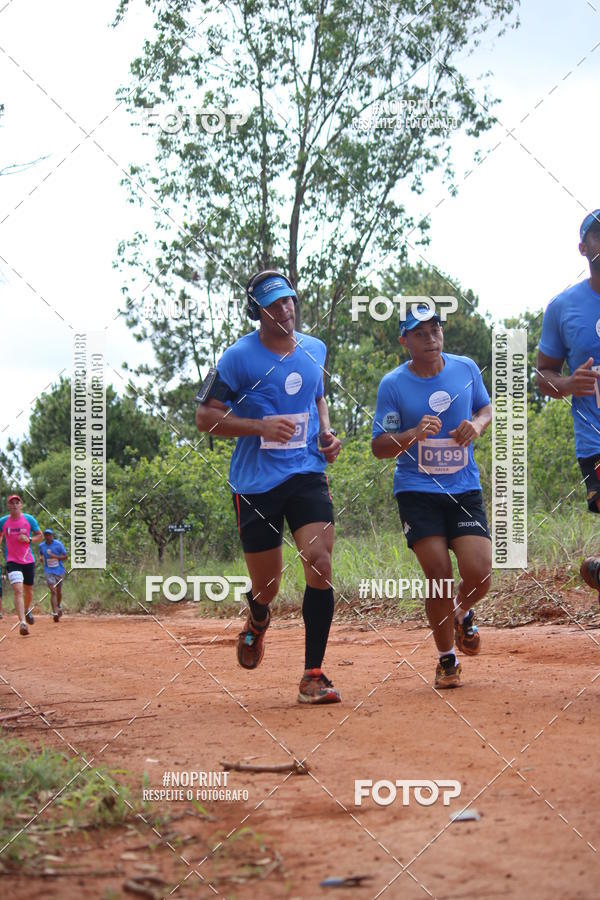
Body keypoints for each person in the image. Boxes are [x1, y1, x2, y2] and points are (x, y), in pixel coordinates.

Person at [195, 269, 343, 704]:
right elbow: (206, 417)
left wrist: (326, 434)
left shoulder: (315, 349)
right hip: (255, 483)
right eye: (275, 304)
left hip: (305, 472)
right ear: (258, 312)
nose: (286, 309)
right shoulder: (237, 358)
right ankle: (258, 618)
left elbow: (317, 396)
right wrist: (259, 425)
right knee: (269, 585)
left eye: (289, 300)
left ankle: (313, 675)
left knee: (319, 560)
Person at [371, 306, 492, 688]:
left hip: (463, 487)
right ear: (404, 340)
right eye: (418, 332)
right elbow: (379, 446)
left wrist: (476, 425)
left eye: (434, 328)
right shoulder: (393, 385)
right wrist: (412, 434)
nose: (429, 337)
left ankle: (460, 612)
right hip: (417, 491)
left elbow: (486, 408)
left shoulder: (466, 369)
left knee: (480, 572)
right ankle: (446, 659)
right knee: (438, 575)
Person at [535, 210, 600, 599]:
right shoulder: (563, 308)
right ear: (583, 249)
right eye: (598, 236)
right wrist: (569, 384)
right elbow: (543, 375)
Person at [0, 495, 43, 635]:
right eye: (11, 503)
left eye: (17, 503)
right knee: (18, 590)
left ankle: (26, 609)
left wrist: (29, 539)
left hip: (28, 560)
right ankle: (23, 623)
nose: (14, 505)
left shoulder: (29, 519)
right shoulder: (3, 522)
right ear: (8, 506)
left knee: (28, 591)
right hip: (12, 561)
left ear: (21, 505)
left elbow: (40, 536)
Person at [39, 528, 68, 622]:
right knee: (53, 591)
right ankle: (55, 612)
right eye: (46, 535)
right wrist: (41, 558)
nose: (48, 537)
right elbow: (41, 554)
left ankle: (58, 606)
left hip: (59, 570)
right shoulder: (41, 546)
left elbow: (65, 557)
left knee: (59, 591)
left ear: (52, 536)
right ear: (44, 536)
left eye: (49, 535)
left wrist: (55, 557)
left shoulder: (58, 545)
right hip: (48, 571)